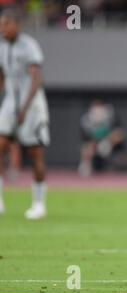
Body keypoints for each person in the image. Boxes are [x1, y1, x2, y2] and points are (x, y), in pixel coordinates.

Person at [0, 9, 49, 219]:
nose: (2, 28)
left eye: (6, 24)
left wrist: (25, 108)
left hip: (33, 106)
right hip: (10, 104)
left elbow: (36, 79)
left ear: (17, 25)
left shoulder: (29, 46)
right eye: (1, 25)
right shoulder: (1, 46)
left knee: (35, 153)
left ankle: (39, 204)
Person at [78, 100, 127, 176]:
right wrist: (95, 143)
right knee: (87, 148)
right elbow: (86, 138)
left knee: (118, 134)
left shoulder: (111, 115)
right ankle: (85, 166)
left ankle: (118, 165)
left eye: (99, 105)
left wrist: (107, 141)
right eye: (95, 106)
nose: (97, 109)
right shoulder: (86, 119)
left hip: (109, 144)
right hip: (94, 144)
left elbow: (119, 132)